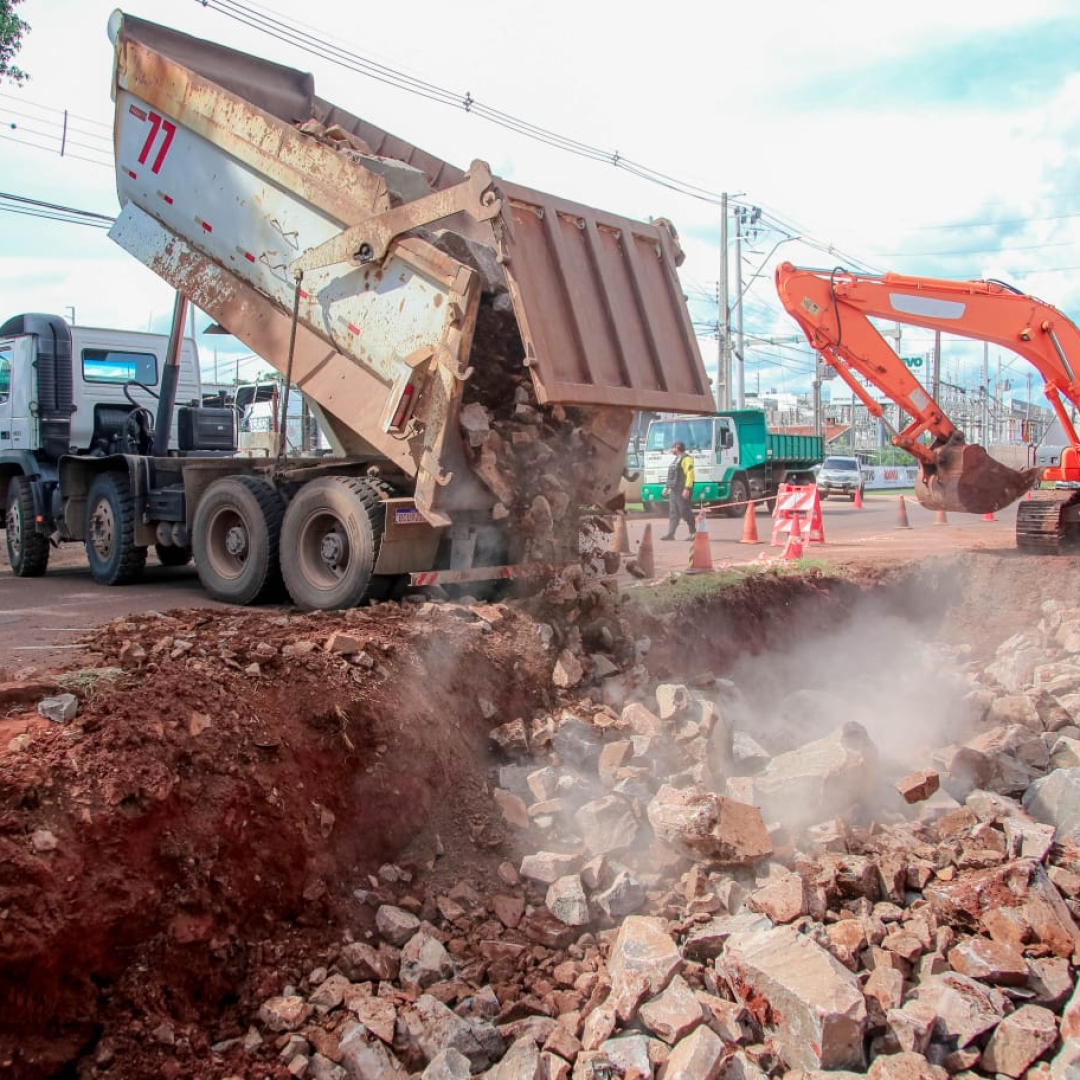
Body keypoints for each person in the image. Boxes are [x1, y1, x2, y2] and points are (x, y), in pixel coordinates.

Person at [661, 440, 696, 539]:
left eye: (673, 447)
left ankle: (693, 533)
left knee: (684, 511)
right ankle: (671, 534)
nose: (672, 449)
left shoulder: (687, 459)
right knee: (673, 513)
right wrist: (667, 487)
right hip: (674, 491)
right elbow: (672, 476)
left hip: (682, 490)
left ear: (677, 447)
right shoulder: (676, 460)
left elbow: (690, 475)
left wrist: (687, 489)